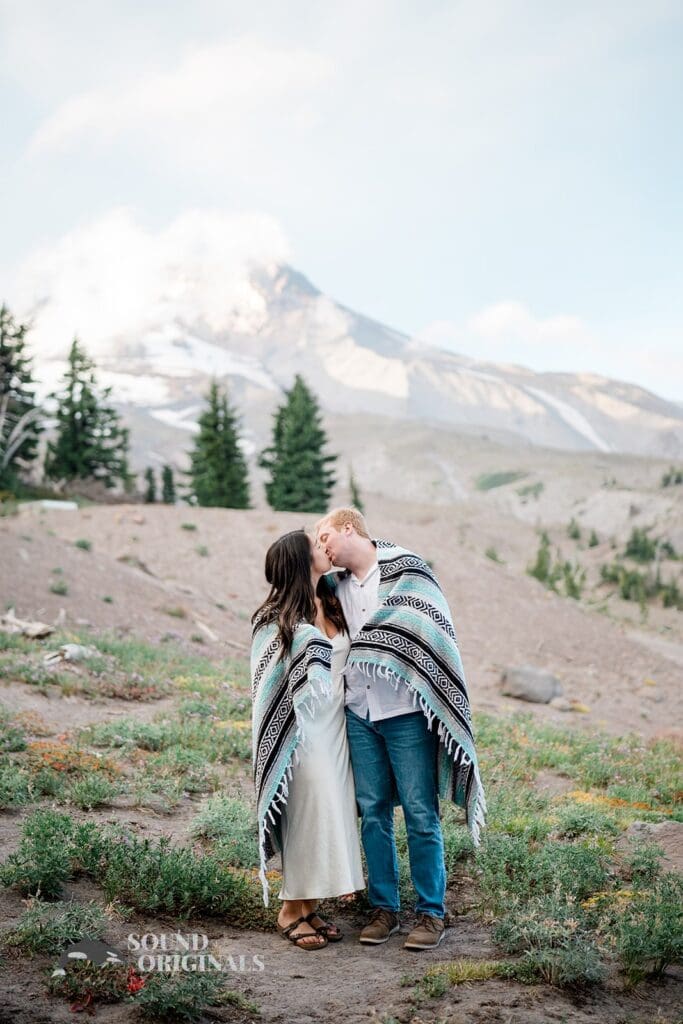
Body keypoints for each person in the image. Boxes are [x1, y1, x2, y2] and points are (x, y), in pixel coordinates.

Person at [315, 508, 486, 951]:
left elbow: (431, 633)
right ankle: (384, 909)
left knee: (419, 811)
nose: (324, 545)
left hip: (405, 709)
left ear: (348, 527)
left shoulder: (408, 571)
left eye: (326, 535)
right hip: (359, 709)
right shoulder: (332, 586)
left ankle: (431, 913)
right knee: (372, 811)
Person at [251, 529, 365, 951]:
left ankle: (308, 908)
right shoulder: (276, 620)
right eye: (317, 547)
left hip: (337, 725)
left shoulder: (333, 598)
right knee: (308, 814)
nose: (325, 549)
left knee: (331, 813)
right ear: (301, 562)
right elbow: (268, 690)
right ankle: (289, 909)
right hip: (301, 731)